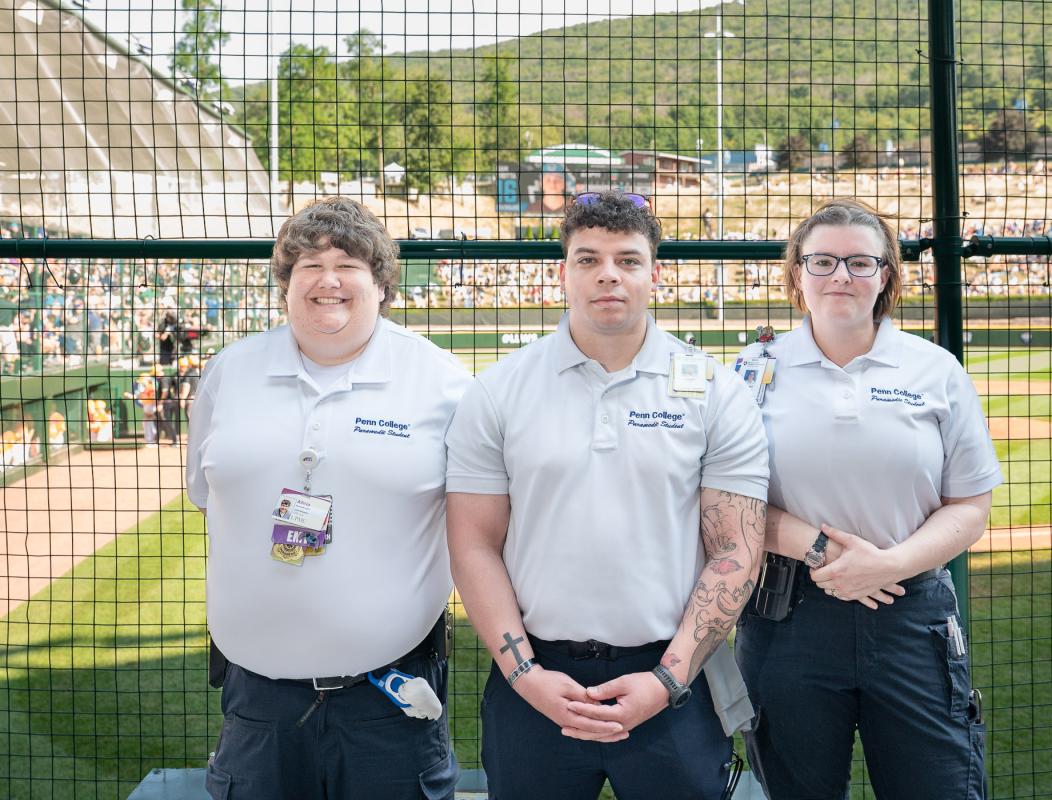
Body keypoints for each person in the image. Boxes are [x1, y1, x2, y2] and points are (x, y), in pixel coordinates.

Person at [446, 190, 769, 800]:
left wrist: (667, 681)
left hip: (672, 679)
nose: (608, 276)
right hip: (534, 682)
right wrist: (526, 675)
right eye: (588, 259)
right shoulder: (498, 392)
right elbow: (473, 544)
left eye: (627, 259)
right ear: (561, 273)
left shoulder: (715, 393)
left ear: (655, 274)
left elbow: (736, 551)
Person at [185, 197, 470, 800]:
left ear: (382, 283)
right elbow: (209, 498)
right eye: (308, 264)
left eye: (348, 263)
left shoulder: (443, 383)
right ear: (285, 284)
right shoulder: (228, 373)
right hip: (255, 700)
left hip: (392, 695)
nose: (328, 279)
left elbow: (477, 527)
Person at [734, 199, 1002, 800]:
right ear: (796, 273)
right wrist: (825, 550)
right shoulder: (751, 371)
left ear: (886, 275)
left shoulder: (935, 369)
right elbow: (728, 503)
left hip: (911, 611)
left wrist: (889, 565)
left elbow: (970, 504)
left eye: (860, 262)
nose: (841, 276)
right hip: (789, 614)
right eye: (822, 261)